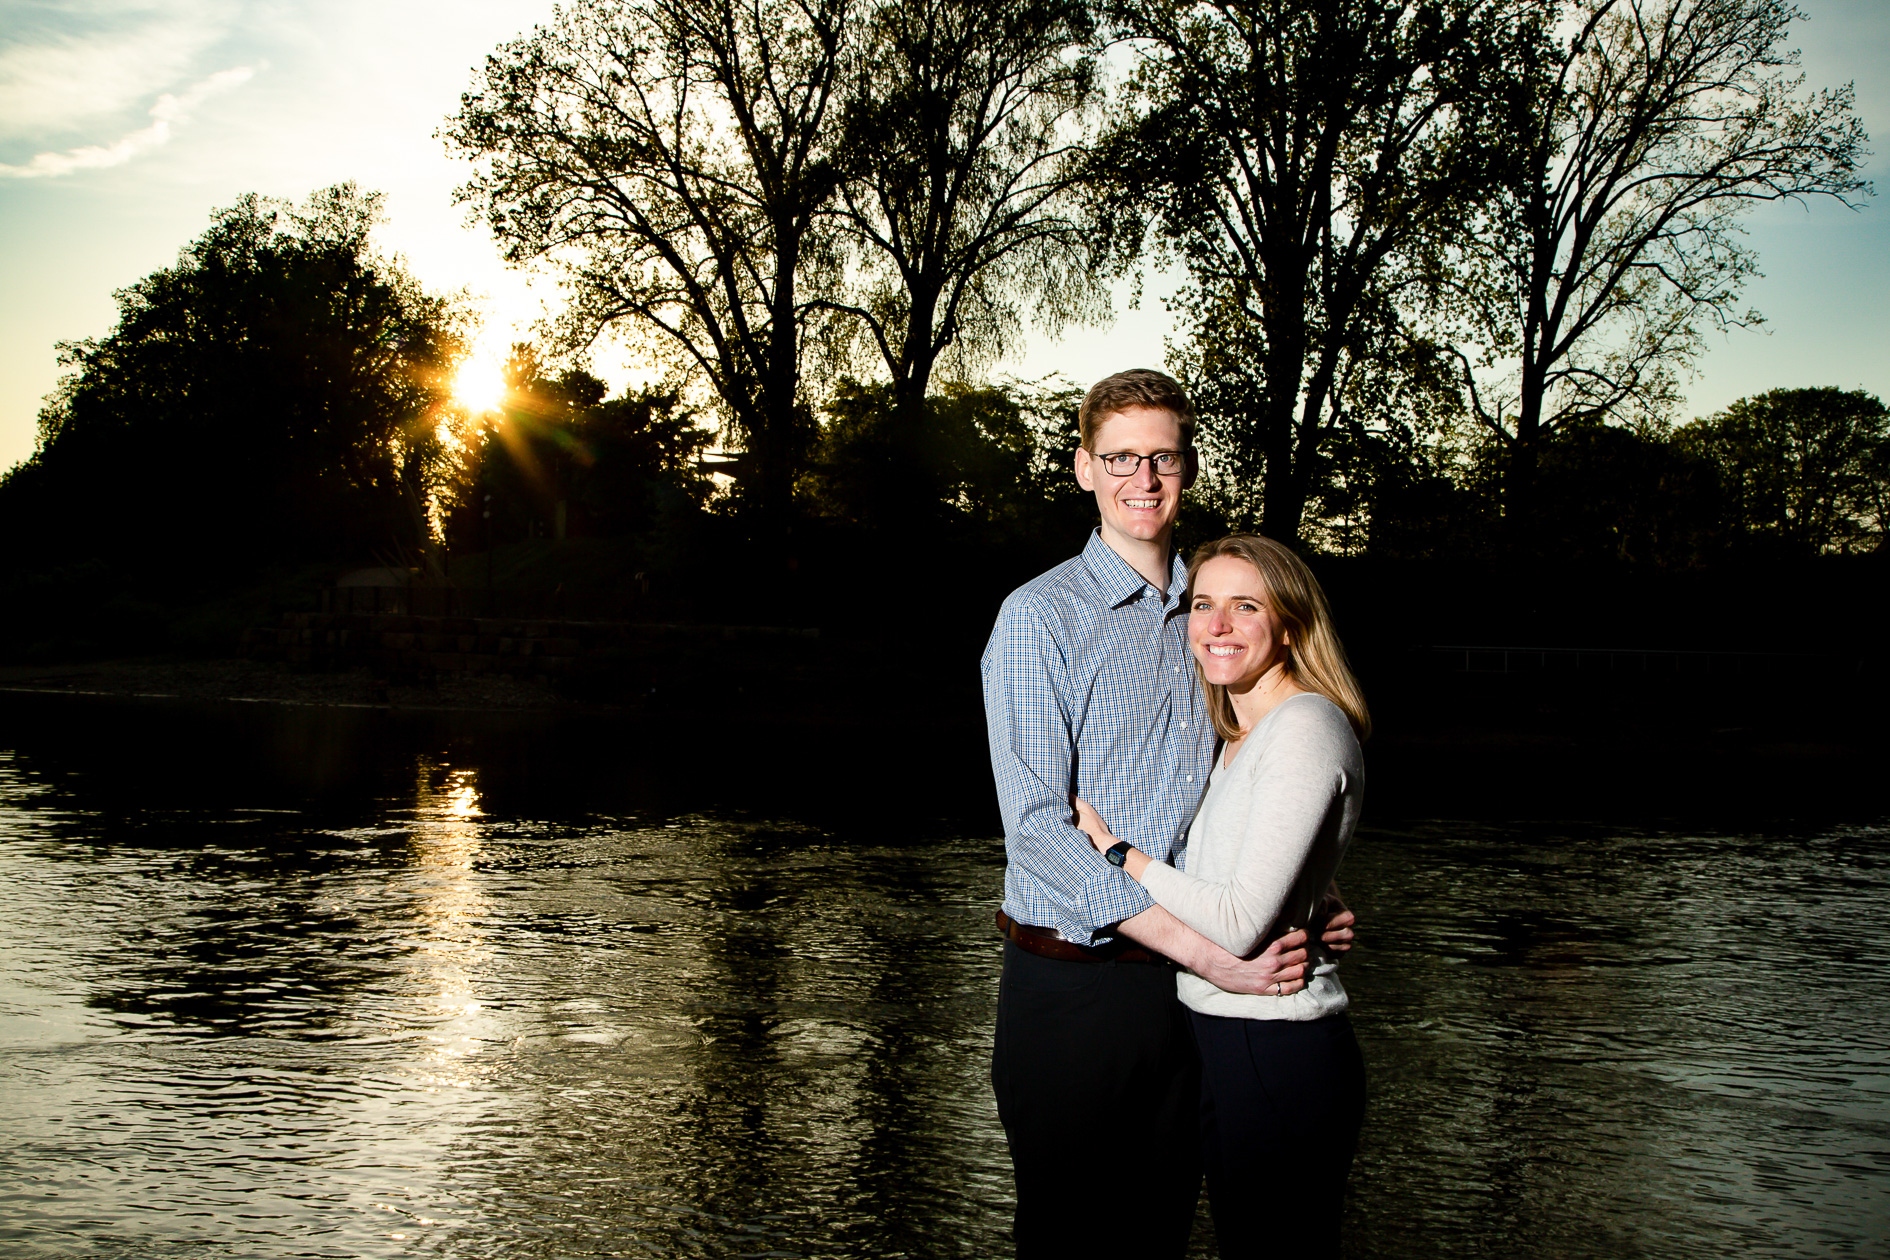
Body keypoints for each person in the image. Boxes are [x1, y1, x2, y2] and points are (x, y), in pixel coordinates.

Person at [980, 370, 1353, 1258]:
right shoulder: (1040, 619)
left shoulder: (1214, 612)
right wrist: (1212, 954)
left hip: (1188, 997)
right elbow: (1036, 829)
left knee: (1162, 1236)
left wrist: (1313, 896)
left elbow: (1253, 780)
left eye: (1162, 457)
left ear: (1187, 468)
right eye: (1119, 458)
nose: (1141, 479)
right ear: (1082, 468)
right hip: (1078, 992)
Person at [1073, 533, 1370, 1259]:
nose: (1218, 625)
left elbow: (1238, 924)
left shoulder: (1304, 726)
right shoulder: (1242, 731)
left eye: (1245, 606)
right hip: (1233, 1039)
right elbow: (1251, 863)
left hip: (1277, 1042)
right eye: (1204, 604)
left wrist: (1119, 853)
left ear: (1291, 625)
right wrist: (1316, 895)